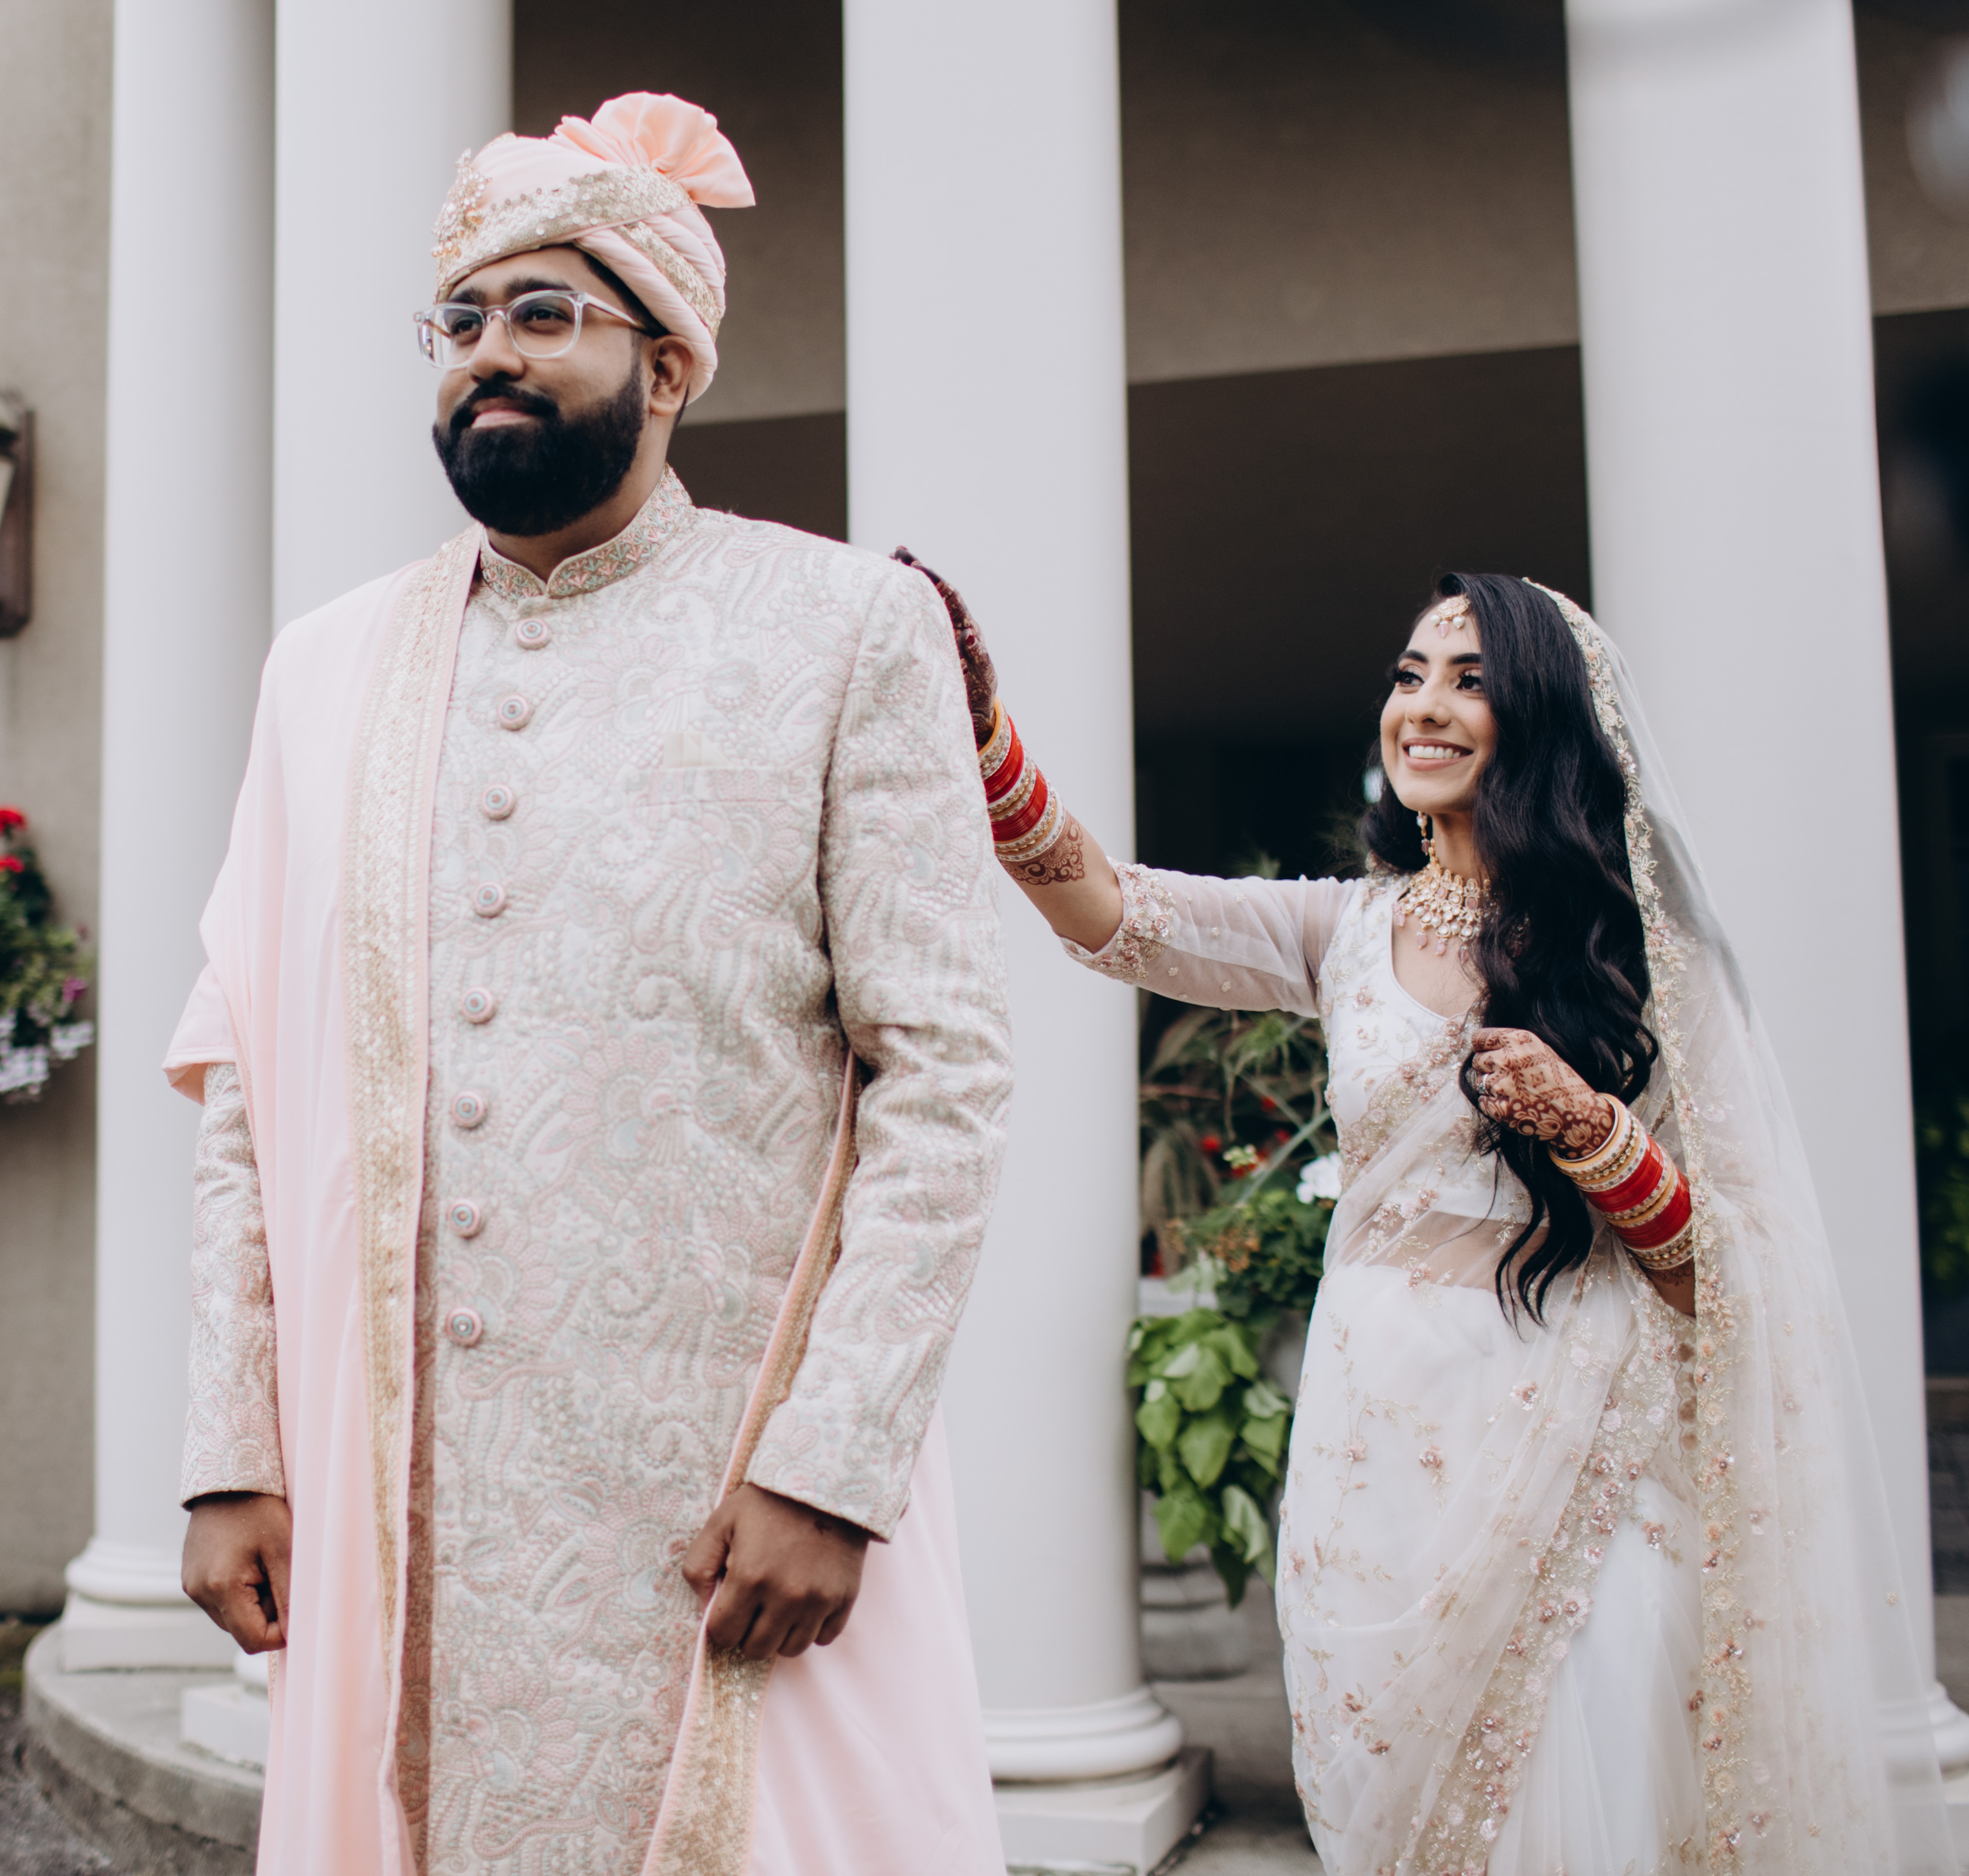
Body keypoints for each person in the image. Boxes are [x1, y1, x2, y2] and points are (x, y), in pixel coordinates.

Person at [167, 94, 1012, 1875]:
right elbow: (249, 1080)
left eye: (546, 313)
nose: (490, 353)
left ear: (670, 362)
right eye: (461, 319)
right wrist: (234, 1449)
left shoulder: (848, 629)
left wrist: (835, 1464)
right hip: (397, 1500)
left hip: (727, 1498)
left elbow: (943, 1077)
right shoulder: (324, 670)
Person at [911, 560, 1957, 1873]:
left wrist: (1596, 1132)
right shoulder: (1343, 930)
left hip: (1570, 1438)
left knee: (1569, 1794)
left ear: (1544, 720)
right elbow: (1115, 913)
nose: (1425, 706)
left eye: (1471, 680)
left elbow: (1724, 1272)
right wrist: (988, 737)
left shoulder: (1637, 957)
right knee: (1392, 1793)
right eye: (1411, 676)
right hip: (1373, 1434)